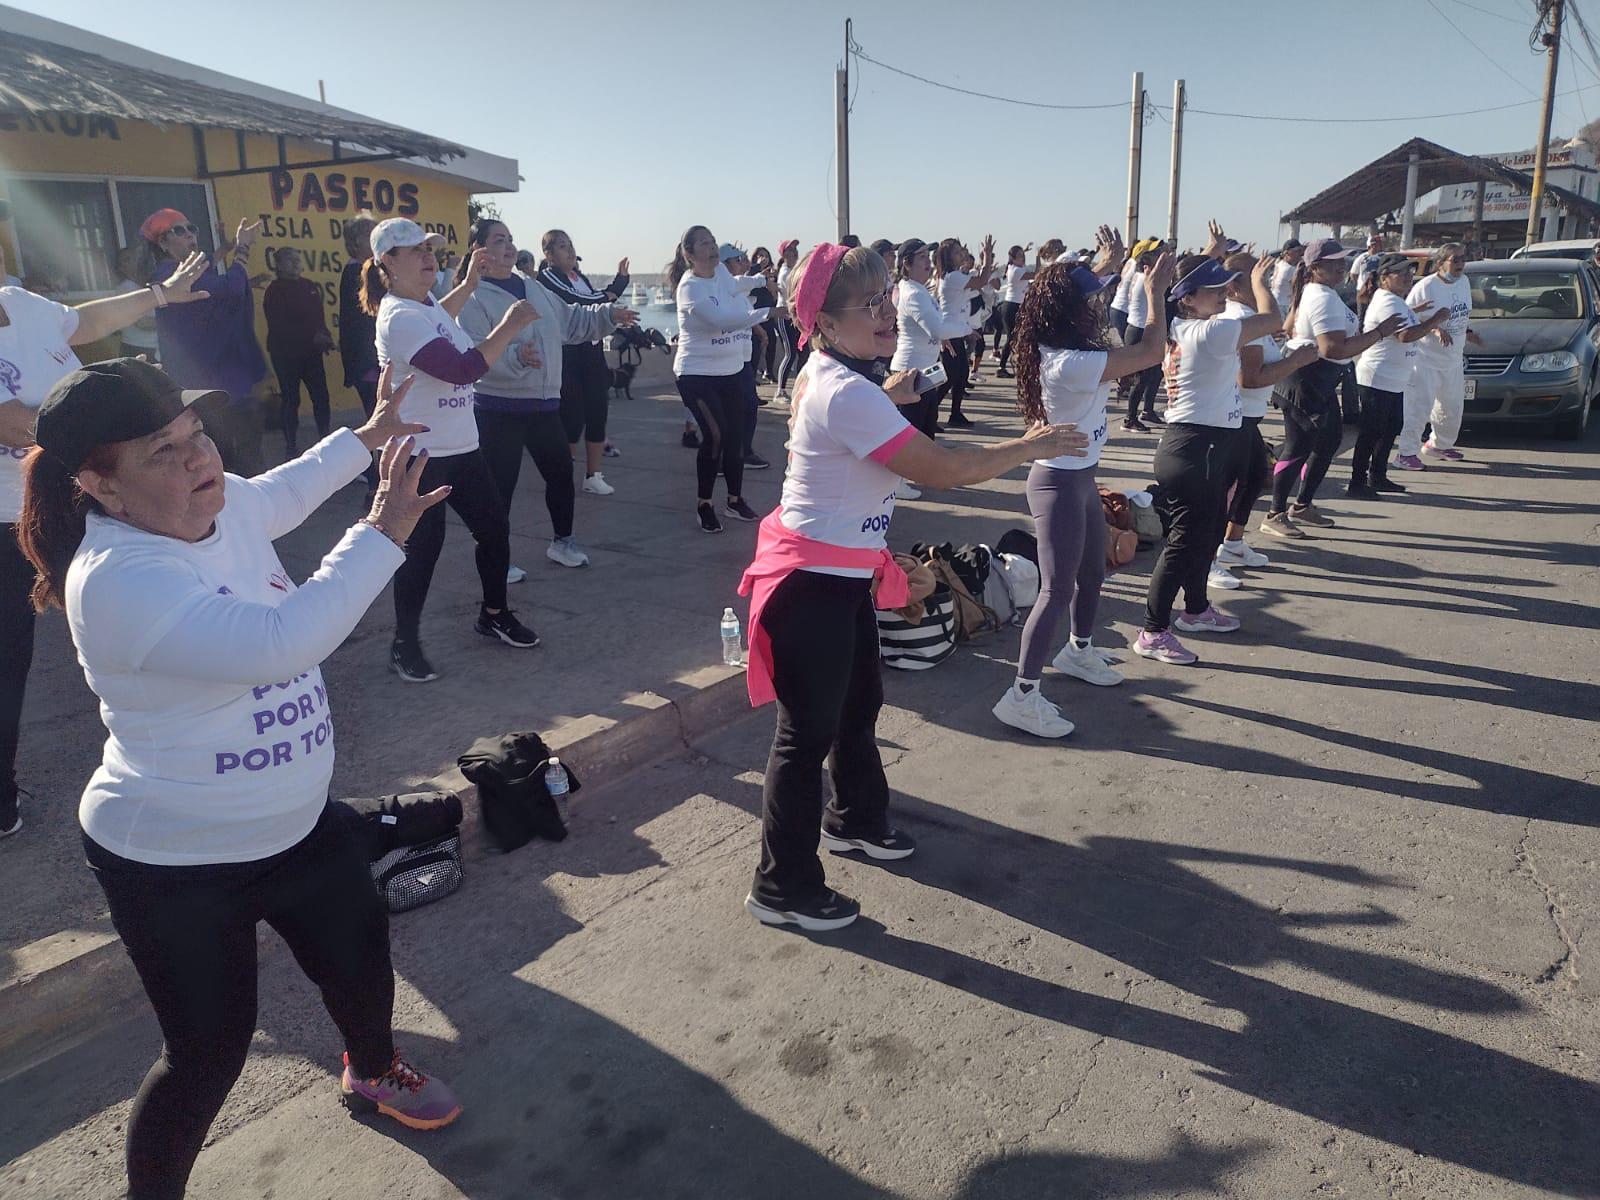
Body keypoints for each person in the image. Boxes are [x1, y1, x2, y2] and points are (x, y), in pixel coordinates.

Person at [17, 357, 462, 1199]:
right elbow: (283, 642)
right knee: (207, 1055)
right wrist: (382, 530)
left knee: (362, 964)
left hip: (297, 825)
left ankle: (372, 1070)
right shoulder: (117, 579)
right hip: (174, 862)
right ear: (100, 487)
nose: (199, 460)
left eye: (195, 435)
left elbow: (283, 489)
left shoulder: (216, 506)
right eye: (162, 452)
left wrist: (360, 441)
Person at [736, 243, 1089, 931]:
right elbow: (943, 471)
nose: (887, 316)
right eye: (869, 306)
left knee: (858, 707)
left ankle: (856, 820)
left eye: (887, 301)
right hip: (811, 586)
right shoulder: (845, 392)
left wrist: (890, 394)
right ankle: (783, 888)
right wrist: (1029, 445)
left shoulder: (839, 378)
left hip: (838, 579)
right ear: (826, 323)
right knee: (803, 740)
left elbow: (854, 418)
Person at [0, 244, 209, 838]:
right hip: (3, 522)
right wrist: (122, 427)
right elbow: (13, 420)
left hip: (80, 497)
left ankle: (181, 755)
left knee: (136, 621)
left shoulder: (19, 303)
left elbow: (84, 321)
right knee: (6, 660)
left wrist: (160, 295)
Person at [992, 241, 1171, 738]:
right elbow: (1151, 351)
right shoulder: (1067, 362)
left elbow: (1075, 287)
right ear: (1069, 313)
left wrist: (1108, 265)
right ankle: (1021, 695)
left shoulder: (1069, 345)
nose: (1100, 305)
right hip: (1057, 484)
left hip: (1082, 478)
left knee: (1093, 572)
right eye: (1090, 301)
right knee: (1056, 589)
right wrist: (1154, 292)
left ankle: (1078, 650)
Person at [365, 217, 542, 681]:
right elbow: (461, 369)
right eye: (415, 251)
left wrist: (466, 285)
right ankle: (403, 644)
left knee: (495, 531)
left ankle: (494, 613)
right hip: (420, 455)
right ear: (388, 261)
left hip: (462, 448)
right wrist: (508, 326)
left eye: (430, 249)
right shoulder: (399, 316)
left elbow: (441, 318)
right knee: (422, 552)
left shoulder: (423, 306)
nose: (428, 257)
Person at [457, 219, 634, 579]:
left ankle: (562, 543)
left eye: (510, 240)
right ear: (478, 251)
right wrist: (517, 360)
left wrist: (608, 316)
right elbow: (475, 356)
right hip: (497, 410)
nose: (507, 247)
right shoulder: (470, 297)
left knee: (560, 476)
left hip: (543, 407)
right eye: (498, 240)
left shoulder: (533, 288)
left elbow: (571, 321)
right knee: (499, 492)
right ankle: (498, 559)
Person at [1136, 253, 1286, 666]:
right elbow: (1272, 319)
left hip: (1200, 447)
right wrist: (1260, 283)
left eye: (1225, 287)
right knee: (1184, 544)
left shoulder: (1188, 326)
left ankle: (1197, 609)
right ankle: (1153, 631)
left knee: (1204, 538)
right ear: (1187, 298)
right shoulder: (1213, 331)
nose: (1223, 293)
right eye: (1214, 289)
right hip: (1193, 449)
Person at [1259, 239, 1406, 539]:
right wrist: (1379, 332)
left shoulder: (1320, 292)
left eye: (1342, 262)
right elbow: (1334, 348)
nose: (1340, 267)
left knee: (1328, 440)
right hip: (1307, 378)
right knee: (1298, 447)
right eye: (1332, 263)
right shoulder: (1322, 296)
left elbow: (1289, 328)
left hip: (1317, 377)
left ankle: (1301, 505)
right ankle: (1275, 513)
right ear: (1315, 268)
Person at [141, 209, 268, 474]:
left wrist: (226, 247)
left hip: (218, 380)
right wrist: (242, 249)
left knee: (234, 455)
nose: (189, 234)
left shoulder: (180, 271)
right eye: (178, 230)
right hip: (210, 386)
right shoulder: (169, 277)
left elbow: (205, 265)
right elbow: (231, 288)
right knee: (230, 460)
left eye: (191, 228)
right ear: (162, 243)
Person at [1217, 253, 1318, 579]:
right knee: (1227, 489)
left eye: (1268, 275)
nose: (1268, 283)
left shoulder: (1250, 317)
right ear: (1233, 287)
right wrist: (1296, 361)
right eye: (1258, 277)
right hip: (1233, 418)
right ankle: (1206, 561)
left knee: (1254, 476)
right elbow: (1250, 378)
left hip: (1247, 416)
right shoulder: (1241, 319)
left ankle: (1231, 543)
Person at [667, 225, 771, 533]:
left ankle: (735, 501)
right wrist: (768, 312)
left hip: (731, 371)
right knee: (715, 435)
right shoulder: (690, 287)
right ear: (689, 254)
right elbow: (722, 322)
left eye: (712, 241)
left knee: (735, 436)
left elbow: (735, 285)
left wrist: (762, 280)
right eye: (703, 244)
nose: (712, 248)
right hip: (696, 374)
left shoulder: (721, 274)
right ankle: (705, 504)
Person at [533, 229, 629, 495]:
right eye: (562, 247)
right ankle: (563, 472)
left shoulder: (579, 276)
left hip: (592, 353)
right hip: (569, 355)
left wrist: (616, 287)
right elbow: (580, 301)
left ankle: (593, 475)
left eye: (570, 245)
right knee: (572, 419)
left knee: (598, 413)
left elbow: (594, 299)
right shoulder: (548, 278)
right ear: (549, 255)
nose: (570, 251)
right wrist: (613, 294)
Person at [1351, 253, 1452, 498]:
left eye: (1410, 272)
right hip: (1378, 377)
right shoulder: (1388, 300)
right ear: (1385, 278)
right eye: (1402, 273)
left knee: (1391, 427)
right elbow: (1404, 335)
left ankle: (1377, 475)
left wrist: (1417, 313)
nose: (1409, 277)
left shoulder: (1396, 300)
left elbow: (1405, 319)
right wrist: (1436, 320)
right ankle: (1358, 482)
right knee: (1372, 432)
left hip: (1394, 379)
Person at [1398, 243, 1481, 469]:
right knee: (1418, 407)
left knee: (1452, 407)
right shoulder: (1425, 287)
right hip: (1426, 360)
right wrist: (1435, 328)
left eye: (1463, 259)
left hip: (1453, 359)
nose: (1460, 264)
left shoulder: (1464, 282)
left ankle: (1438, 445)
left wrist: (1469, 334)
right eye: (1455, 260)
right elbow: (1407, 318)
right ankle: (1405, 452)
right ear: (1440, 264)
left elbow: (1461, 315)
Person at [891, 237, 973, 445]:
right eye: (921, 257)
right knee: (912, 438)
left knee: (926, 433)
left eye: (928, 256)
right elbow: (936, 329)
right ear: (907, 264)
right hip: (910, 372)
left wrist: (942, 337)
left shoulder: (918, 289)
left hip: (924, 370)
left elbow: (933, 327)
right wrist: (965, 329)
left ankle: (922, 474)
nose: (928, 262)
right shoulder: (914, 293)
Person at [263, 247, 334, 458]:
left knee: (321, 397)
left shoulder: (309, 286)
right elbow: (279, 324)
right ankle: (291, 446)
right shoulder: (274, 291)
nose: (295, 263)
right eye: (289, 260)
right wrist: (312, 337)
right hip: (286, 354)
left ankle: (325, 439)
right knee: (291, 399)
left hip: (312, 354)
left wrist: (325, 338)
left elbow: (319, 319)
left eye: (297, 259)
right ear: (279, 264)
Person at [716, 244, 773, 470]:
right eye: (738, 259)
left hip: (743, 359)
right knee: (734, 411)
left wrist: (759, 331)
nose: (743, 263)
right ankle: (727, 458)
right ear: (726, 264)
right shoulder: (722, 286)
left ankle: (743, 452)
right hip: (728, 362)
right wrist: (760, 280)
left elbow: (745, 313)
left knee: (748, 408)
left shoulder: (735, 288)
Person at [338, 213, 381, 495]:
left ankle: (373, 474)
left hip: (374, 361)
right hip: (369, 363)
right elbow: (361, 323)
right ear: (355, 242)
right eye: (371, 234)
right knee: (377, 422)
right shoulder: (357, 273)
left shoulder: (369, 270)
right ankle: (366, 472)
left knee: (379, 421)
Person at [933, 235, 995, 429]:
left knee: (960, 375)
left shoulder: (955, 276)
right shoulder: (953, 277)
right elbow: (983, 280)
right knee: (950, 377)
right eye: (958, 253)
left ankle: (955, 413)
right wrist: (987, 256)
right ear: (948, 257)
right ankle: (929, 412)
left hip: (956, 332)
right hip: (949, 334)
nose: (962, 255)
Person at [1118, 241, 1166, 432]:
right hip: (1138, 330)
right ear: (1146, 259)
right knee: (1142, 379)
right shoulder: (1146, 278)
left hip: (1141, 328)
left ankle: (1146, 411)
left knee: (1155, 374)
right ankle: (1129, 419)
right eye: (1157, 253)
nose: (1162, 254)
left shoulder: (1141, 275)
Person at [112, 245, 161, 361]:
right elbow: (141, 323)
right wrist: (168, 323)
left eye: (135, 257)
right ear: (121, 268)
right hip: (138, 349)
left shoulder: (151, 284)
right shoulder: (125, 289)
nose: (134, 261)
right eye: (127, 260)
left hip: (153, 348)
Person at [995, 243, 1035, 377]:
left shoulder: (1015, 267)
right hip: (1012, 306)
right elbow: (1037, 273)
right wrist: (1038, 256)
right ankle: (1002, 367)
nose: (1023, 258)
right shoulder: (1016, 271)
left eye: (1023, 256)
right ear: (1012, 258)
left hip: (1018, 305)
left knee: (1019, 337)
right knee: (1011, 338)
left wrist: (1025, 250)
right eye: (1020, 256)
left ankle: (1019, 363)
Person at [773, 239, 803, 400]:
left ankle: (800, 387)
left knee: (802, 352)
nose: (794, 252)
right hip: (784, 317)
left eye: (795, 249)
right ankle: (780, 391)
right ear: (784, 254)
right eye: (790, 249)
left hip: (795, 317)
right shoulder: (785, 273)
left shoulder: (794, 270)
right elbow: (791, 296)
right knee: (790, 353)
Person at [750, 246, 782, 383]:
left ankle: (769, 371)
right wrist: (758, 267)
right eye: (760, 255)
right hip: (756, 313)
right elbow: (748, 283)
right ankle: (753, 376)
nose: (763, 258)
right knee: (755, 347)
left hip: (770, 312)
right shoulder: (753, 273)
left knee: (772, 342)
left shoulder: (772, 274)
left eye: (765, 255)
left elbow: (775, 293)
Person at [1271, 239, 1303, 313]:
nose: (1299, 254)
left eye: (1300, 251)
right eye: (1296, 251)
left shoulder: (1279, 264)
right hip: (1284, 305)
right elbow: (1298, 289)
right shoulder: (1290, 270)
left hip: (1275, 302)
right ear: (1287, 253)